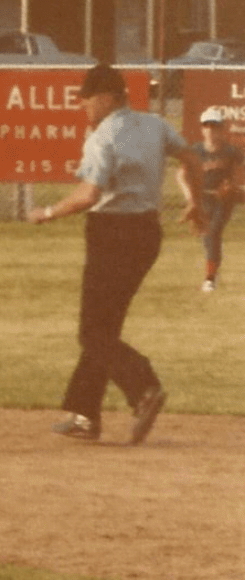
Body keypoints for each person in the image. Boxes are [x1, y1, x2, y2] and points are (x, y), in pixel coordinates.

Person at [26, 63, 204, 445]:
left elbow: (89, 195)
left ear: (108, 97)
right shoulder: (155, 125)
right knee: (105, 328)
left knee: (92, 332)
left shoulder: (102, 136)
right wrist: (197, 203)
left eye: (87, 99)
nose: (83, 106)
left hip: (111, 234)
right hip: (146, 235)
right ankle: (85, 415)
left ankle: (144, 387)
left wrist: (49, 213)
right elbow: (190, 159)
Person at [176, 106, 243, 293]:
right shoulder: (196, 150)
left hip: (224, 199)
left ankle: (209, 278)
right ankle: (214, 270)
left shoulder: (230, 151)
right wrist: (190, 199)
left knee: (212, 233)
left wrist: (236, 185)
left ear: (222, 129)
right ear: (202, 129)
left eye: (215, 126)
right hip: (202, 198)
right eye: (207, 126)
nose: (211, 131)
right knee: (208, 237)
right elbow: (181, 175)